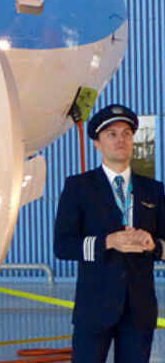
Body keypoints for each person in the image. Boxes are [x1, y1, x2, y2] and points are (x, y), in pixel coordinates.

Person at [54, 104, 165, 362]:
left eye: (126, 133)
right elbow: (62, 246)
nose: (120, 139)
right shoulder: (79, 187)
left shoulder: (153, 190)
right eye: (111, 134)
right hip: (94, 308)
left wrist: (152, 245)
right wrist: (108, 242)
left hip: (139, 311)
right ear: (97, 144)